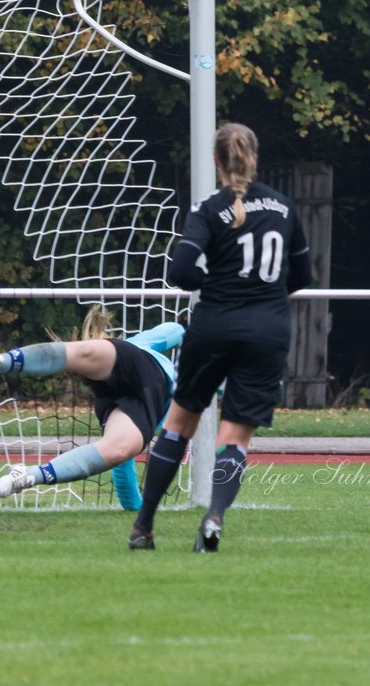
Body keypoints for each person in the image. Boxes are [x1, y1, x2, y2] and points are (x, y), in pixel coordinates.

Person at [129, 122, 310, 552]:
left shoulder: (208, 208)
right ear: (255, 157)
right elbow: (301, 275)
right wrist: (261, 299)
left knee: (178, 424)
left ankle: (144, 526)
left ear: (216, 161)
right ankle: (214, 517)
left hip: (214, 327)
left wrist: (219, 285)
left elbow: (181, 274)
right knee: (235, 437)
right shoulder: (284, 206)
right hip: (268, 331)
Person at [0, 306, 185, 504]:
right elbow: (173, 330)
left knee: (120, 449)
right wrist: (189, 335)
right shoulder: (140, 346)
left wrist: (137, 510)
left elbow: (122, 466)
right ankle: (0, 362)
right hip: (139, 364)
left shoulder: (188, 397)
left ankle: (29, 476)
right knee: (85, 352)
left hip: (146, 401)